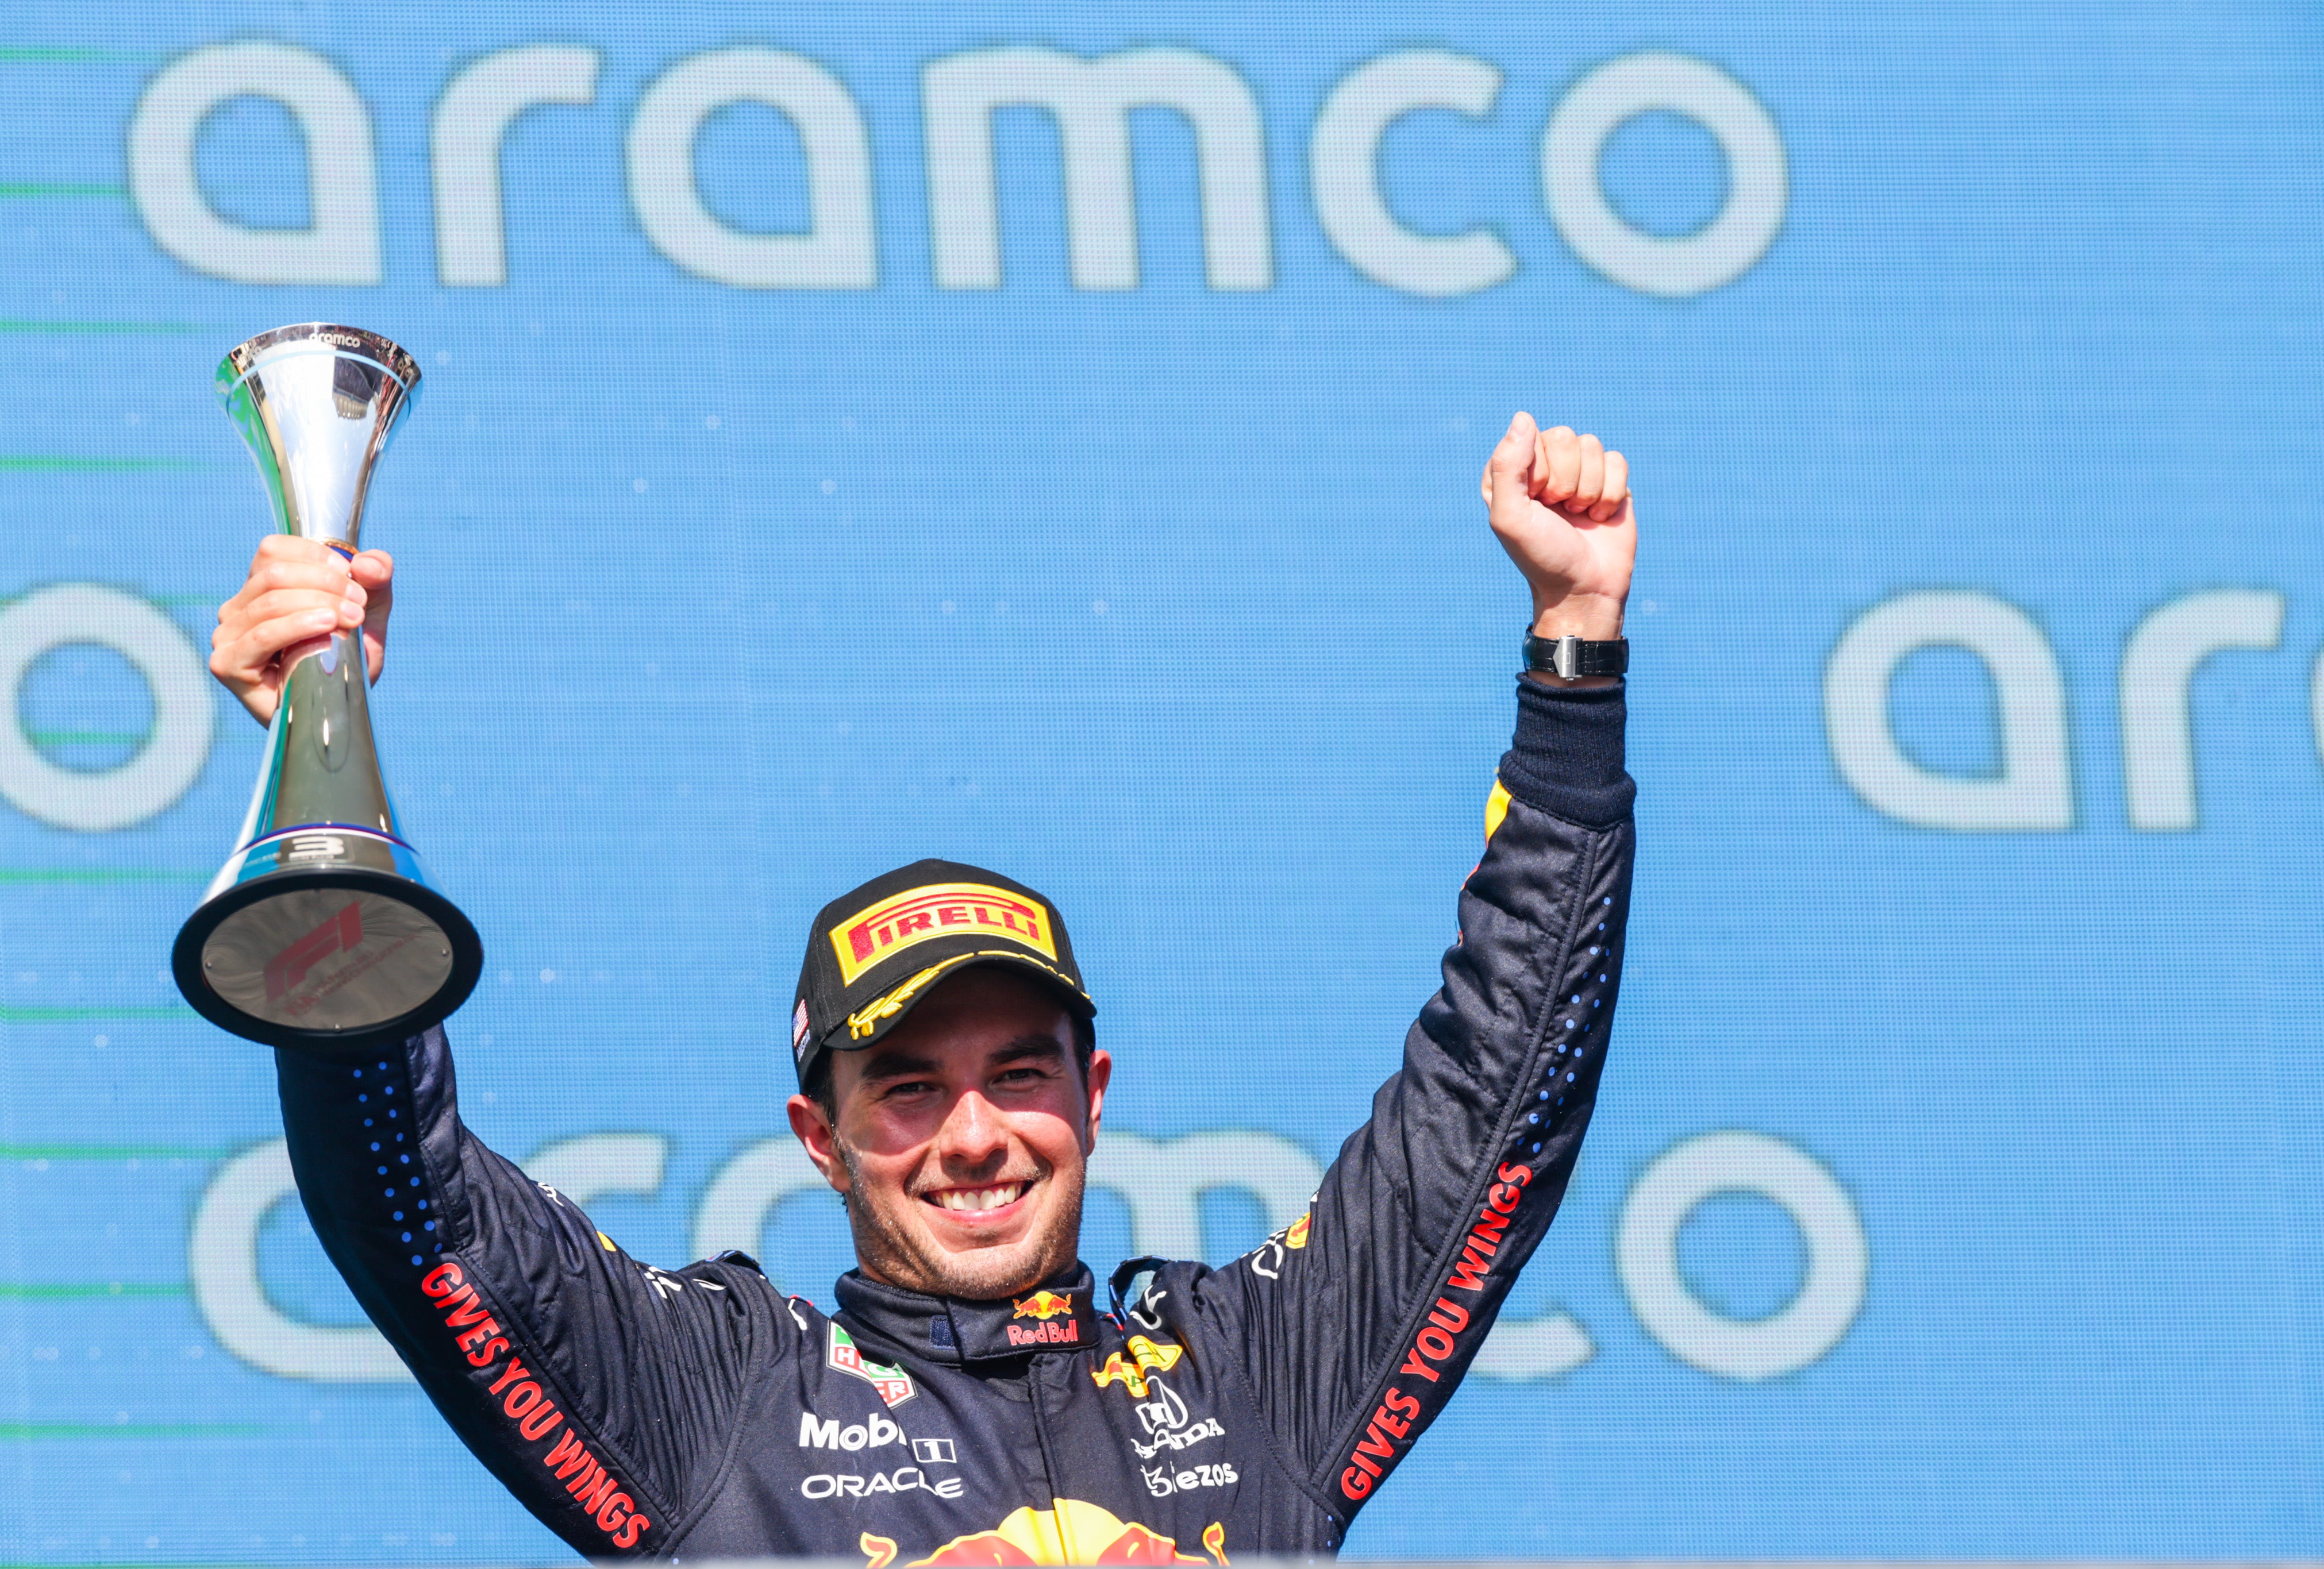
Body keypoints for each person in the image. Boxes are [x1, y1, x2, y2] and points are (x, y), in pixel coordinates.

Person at [206, 415, 1638, 1563]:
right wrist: (319, 791)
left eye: (1018, 1071)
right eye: (904, 1085)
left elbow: (1494, 1103)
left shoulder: (1255, 1382)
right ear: (816, 1137)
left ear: (1093, 1096)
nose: (974, 1133)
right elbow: (416, 1216)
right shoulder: (719, 1405)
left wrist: (1571, 654)